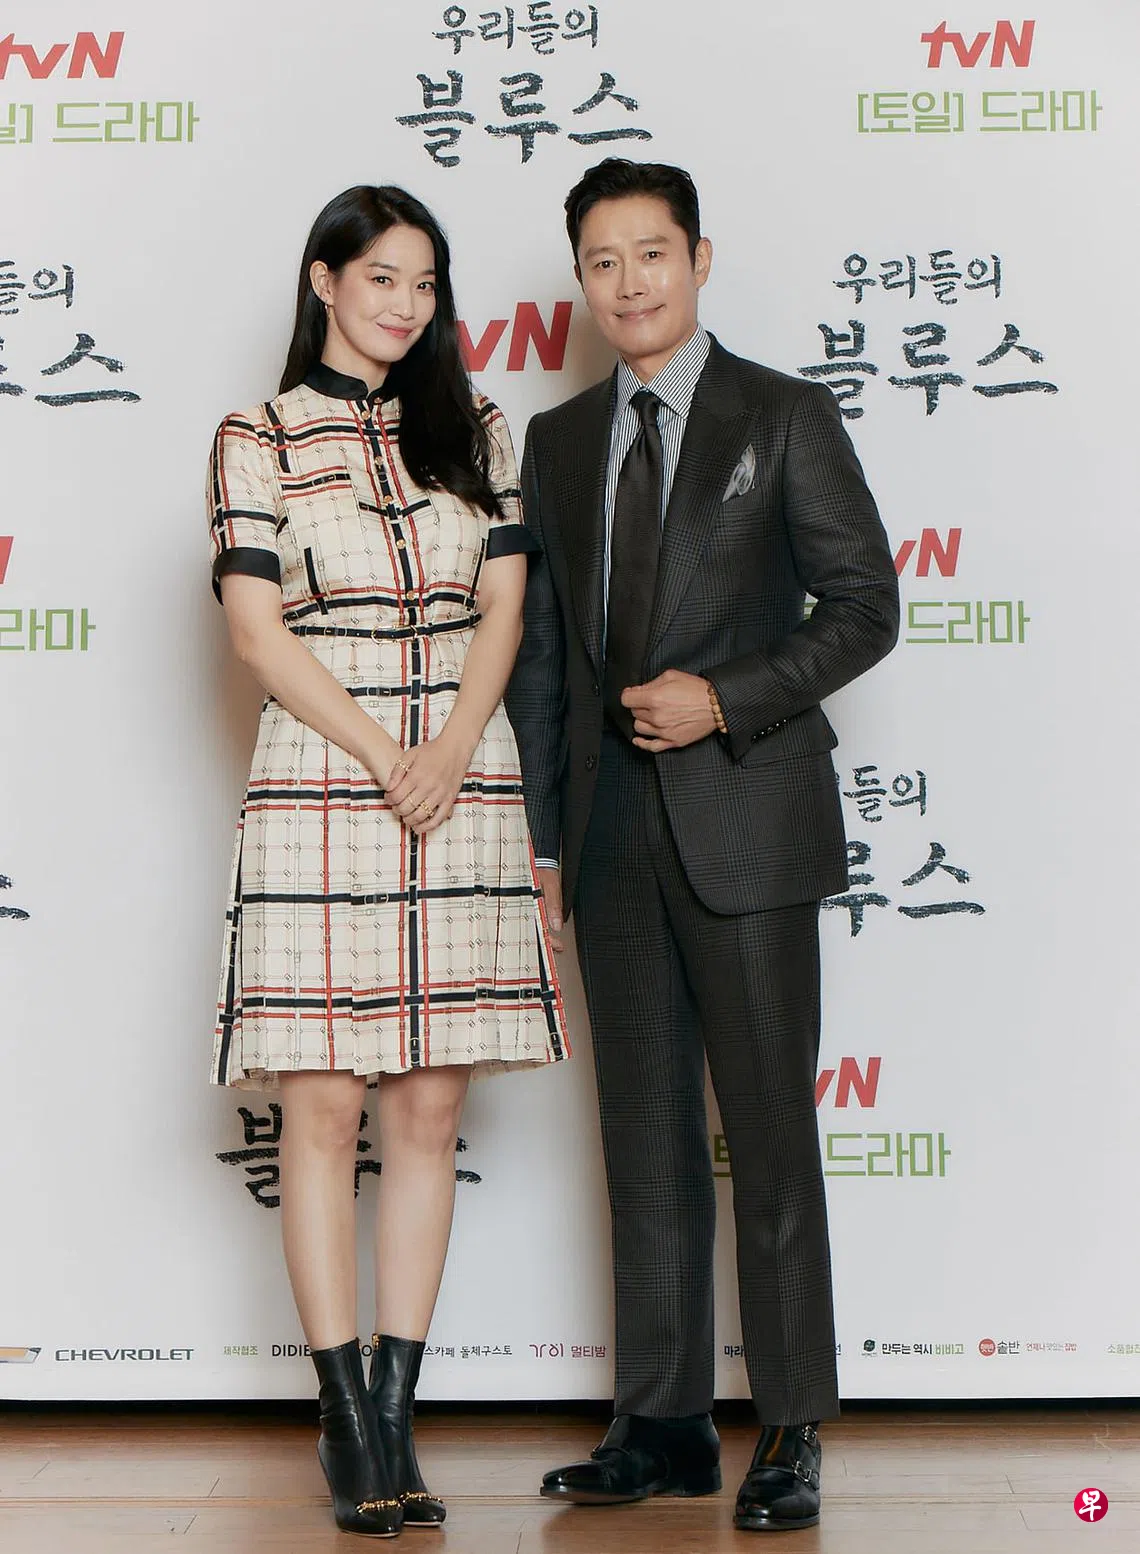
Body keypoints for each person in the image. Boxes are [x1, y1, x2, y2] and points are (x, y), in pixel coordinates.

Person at [505, 159, 898, 1534]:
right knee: (645, 1135)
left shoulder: (781, 414)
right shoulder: (558, 440)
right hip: (609, 832)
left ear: (700, 258)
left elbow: (865, 605)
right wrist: (543, 842)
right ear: (582, 279)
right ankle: (662, 1421)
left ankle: (790, 1423)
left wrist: (724, 697)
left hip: (747, 822)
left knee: (771, 1135)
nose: (630, 283)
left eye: (653, 253)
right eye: (603, 261)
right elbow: (543, 658)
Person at [207, 184, 569, 1538]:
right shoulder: (254, 437)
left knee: (426, 1106)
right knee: (322, 1102)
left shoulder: (478, 429)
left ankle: (399, 1409)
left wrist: (454, 746)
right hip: (322, 778)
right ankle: (344, 1415)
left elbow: (506, 606)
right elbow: (258, 631)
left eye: (425, 284)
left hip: (464, 780)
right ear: (324, 280)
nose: (406, 306)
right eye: (381, 279)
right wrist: (384, 750)